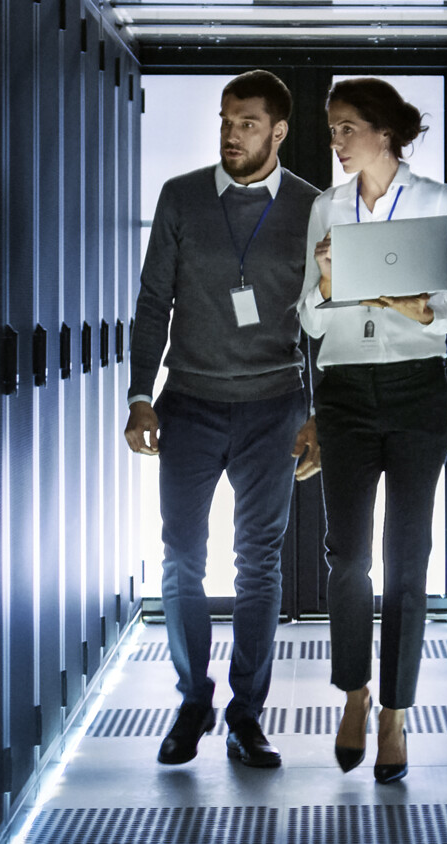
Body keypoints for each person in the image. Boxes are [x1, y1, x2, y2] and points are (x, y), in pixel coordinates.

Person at [125, 70, 322, 769]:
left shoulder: (311, 207)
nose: (231, 134)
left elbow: (327, 321)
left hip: (274, 406)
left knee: (258, 564)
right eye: (225, 121)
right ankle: (191, 699)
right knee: (180, 557)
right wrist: (139, 395)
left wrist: (319, 415)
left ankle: (245, 714)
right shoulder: (180, 198)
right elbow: (153, 304)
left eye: (246, 124)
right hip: (191, 402)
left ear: (279, 132)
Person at [294, 77, 447, 783]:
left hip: (415, 387)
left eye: (346, 129)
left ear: (384, 133)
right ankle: (353, 693)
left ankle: (396, 712)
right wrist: (329, 292)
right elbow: (308, 320)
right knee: (347, 556)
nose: (336, 142)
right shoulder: (326, 208)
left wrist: (418, 306)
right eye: (333, 129)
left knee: (407, 557)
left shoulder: (435, 202)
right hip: (344, 390)